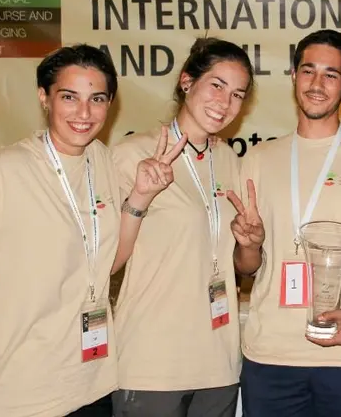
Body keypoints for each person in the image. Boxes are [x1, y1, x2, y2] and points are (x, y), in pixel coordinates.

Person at [0, 45, 179, 416]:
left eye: (96, 99)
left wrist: (140, 197)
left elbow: (107, 264)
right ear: (44, 97)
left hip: (92, 384)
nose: (84, 113)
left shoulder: (101, 158)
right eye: (69, 97)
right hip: (20, 392)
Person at [233, 29, 341, 417]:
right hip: (271, 357)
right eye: (308, 71)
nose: (317, 84)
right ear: (294, 76)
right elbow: (247, 268)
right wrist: (248, 245)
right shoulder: (259, 158)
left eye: (331, 74)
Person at [110, 37, 260, 417]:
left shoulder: (229, 160)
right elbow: (104, 262)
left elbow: (241, 267)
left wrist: (250, 244)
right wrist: (141, 197)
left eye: (238, 94)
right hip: (151, 363)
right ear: (187, 81)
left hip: (218, 362)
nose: (225, 104)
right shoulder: (132, 154)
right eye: (217, 86)